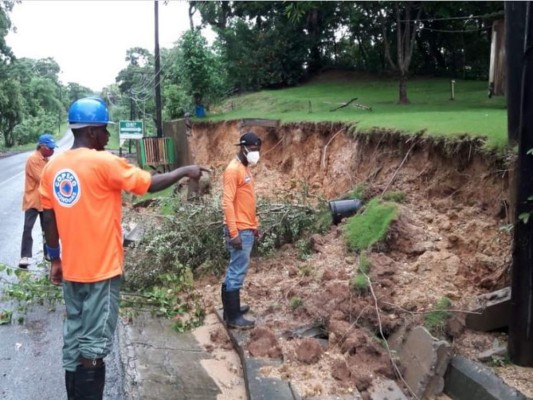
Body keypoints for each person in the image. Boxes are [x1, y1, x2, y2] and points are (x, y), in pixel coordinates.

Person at [39, 97, 207, 400]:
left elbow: (48, 216)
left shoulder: (53, 167)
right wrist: (185, 170)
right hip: (101, 273)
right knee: (94, 349)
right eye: (105, 131)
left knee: (75, 340)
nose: (107, 137)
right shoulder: (105, 163)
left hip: (72, 271)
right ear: (91, 132)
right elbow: (149, 184)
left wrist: (55, 259)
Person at [221, 131, 262, 329]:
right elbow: (227, 202)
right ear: (243, 147)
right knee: (237, 271)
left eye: (258, 150)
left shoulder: (245, 168)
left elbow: (247, 201)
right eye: (253, 149)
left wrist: (255, 225)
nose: (256, 153)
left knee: (234, 268)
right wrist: (234, 232)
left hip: (247, 227)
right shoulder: (233, 170)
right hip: (239, 229)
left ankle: (230, 310)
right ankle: (234, 317)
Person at [19, 133, 57, 269]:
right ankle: (24, 256)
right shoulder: (33, 159)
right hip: (33, 200)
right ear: (42, 146)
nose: (52, 151)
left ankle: (49, 254)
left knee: (47, 228)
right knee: (28, 228)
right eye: (50, 148)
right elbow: (42, 178)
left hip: (45, 200)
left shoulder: (47, 160)